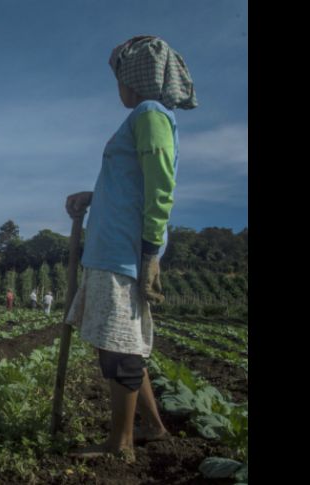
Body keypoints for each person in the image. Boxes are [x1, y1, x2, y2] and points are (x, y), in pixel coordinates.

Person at [64, 35, 197, 463]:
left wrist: (151, 249)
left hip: (121, 252)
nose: (117, 87)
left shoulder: (148, 113)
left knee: (118, 349)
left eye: (119, 78)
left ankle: (119, 446)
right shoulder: (147, 117)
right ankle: (152, 427)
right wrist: (93, 196)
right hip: (116, 248)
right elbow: (133, 184)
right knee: (125, 343)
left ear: (134, 78)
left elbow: (161, 188)